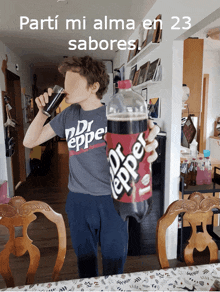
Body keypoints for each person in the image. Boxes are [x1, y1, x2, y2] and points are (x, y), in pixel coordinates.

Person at [23, 55, 160, 279]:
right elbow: (29, 142)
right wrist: (44, 111)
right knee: (85, 263)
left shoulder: (116, 113)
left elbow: (140, 149)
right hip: (78, 201)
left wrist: (149, 148)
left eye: (73, 83)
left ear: (94, 86)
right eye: (65, 82)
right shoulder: (68, 115)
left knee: (114, 263)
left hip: (112, 200)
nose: (66, 88)